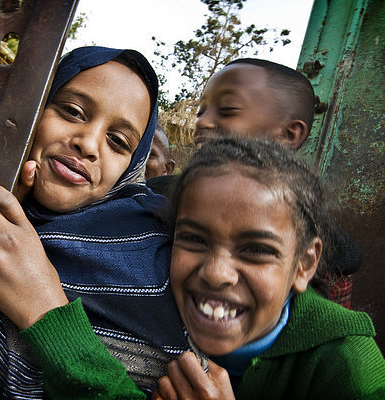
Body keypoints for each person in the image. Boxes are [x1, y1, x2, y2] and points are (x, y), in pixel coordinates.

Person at [0, 138, 385, 399]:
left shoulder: (348, 369)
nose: (215, 273)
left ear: (304, 265)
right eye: (194, 239)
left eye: (255, 250)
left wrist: (48, 315)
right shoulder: (146, 301)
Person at [0, 46, 188, 399]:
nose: (88, 144)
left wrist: (43, 304)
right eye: (71, 111)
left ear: (132, 167)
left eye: (118, 142)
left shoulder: (155, 253)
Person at [147, 58, 361, 308]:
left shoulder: (323, 254)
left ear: (288, 135)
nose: (202, 122)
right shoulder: (155, 196)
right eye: (201, 111)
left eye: (228, 109)